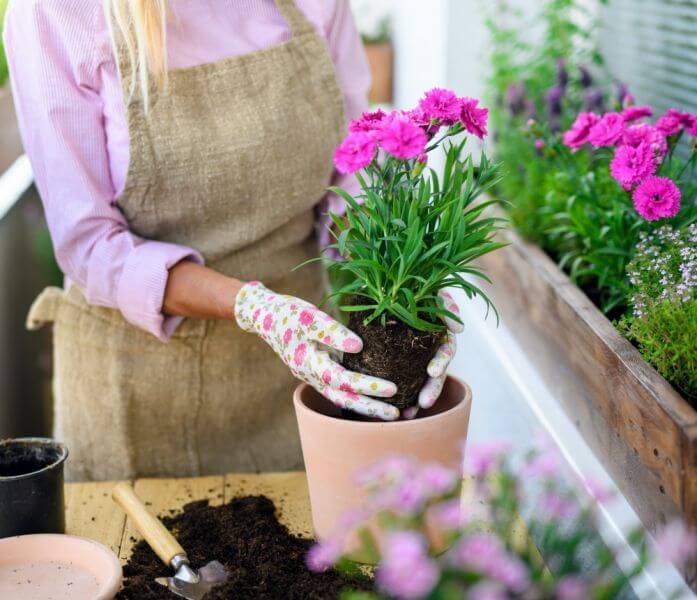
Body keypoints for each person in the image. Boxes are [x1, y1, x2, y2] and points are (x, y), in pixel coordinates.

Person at [4, 0, 458, 481]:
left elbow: (345, 177)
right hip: (139, 406)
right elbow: (89, 245)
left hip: (299, 382)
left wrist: (409, 283)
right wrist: (255, 308)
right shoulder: (55, 13)